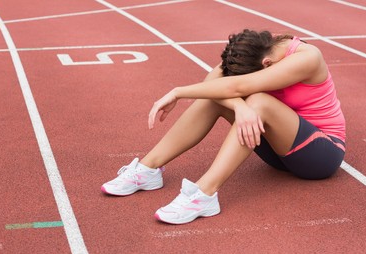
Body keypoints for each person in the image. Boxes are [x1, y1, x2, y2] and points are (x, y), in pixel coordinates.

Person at [101, 29, 346, 225]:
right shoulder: (250, 49)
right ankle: (148, 169)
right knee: (215, 99)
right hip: (278, 150)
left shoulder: (307, 57)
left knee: (258, 101)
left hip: (320, 153)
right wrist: (239, 107)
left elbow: (237, 87)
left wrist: (178, 92)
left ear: (267, 63)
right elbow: (212, 81)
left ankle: (204, 194)